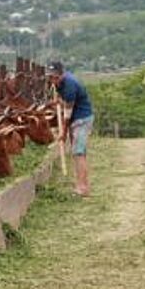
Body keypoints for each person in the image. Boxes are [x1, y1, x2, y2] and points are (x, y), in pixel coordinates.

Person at [47, 61, 94, 197]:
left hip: (81, 120)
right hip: (76, 119)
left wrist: (63, 132)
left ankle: (83, 188)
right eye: (51, 77)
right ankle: (80, 184)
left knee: (79, 153)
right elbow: (65, 103)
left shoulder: (69, 85)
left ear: (62, 74)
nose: (53, 80)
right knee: (77, 153)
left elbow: (67, 113)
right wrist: (58, 102)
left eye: (55, 77)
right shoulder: (60, 84)